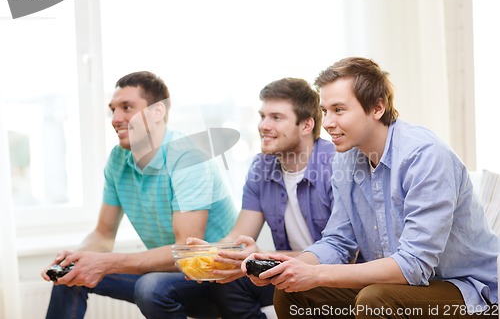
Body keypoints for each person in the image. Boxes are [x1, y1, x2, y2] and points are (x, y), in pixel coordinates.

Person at [245, 57, 499, 318]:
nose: (328, 122)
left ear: (377, 108)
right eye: (325, 111)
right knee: (292, 290)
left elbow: (413, 265)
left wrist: (317, 273)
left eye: (339, 110)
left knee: (373, 299)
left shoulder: (425, 156)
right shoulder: (346, 159)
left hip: (469, 292)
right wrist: (291, 268)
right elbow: (338, 241)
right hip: (400, 288)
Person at [41, 71, 238, 319]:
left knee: (151, 287)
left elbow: (187, 252)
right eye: (112, 109)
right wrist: (77, 258)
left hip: (216, 280)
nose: (116, 118)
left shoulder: (189, 157)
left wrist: (106, 263)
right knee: (72, 274)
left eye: (127, 107)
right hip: (170, 273)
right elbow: (103, 235)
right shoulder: (118, 159)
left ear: (157, 112)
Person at [188, 77, 336, 319]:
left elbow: (341, 253)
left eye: (276, 117)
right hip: (289, 270)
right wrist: (212, 254)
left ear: (306, 125)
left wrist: (263, 257)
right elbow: (239, 235)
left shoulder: (335, 165)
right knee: (228, 281)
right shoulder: (262, 166)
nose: (263, 126)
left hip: (333, 274)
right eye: (262, 116)